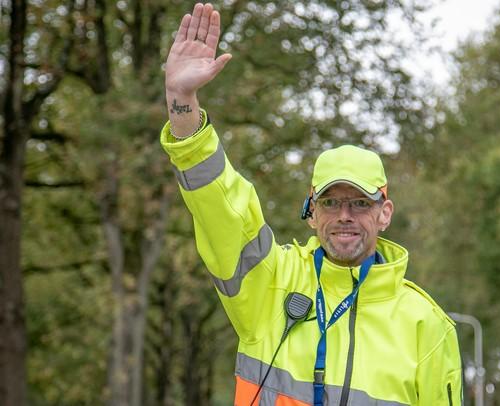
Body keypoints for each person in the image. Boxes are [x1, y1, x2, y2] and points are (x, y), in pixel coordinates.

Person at [161, 3, 462, 405]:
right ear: (311, 212)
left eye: (359, 203)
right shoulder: (270, 283)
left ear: (384, 214)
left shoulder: (427, 325)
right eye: (331, 202)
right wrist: (183, 102)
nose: (344, 216)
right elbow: (220, 204)